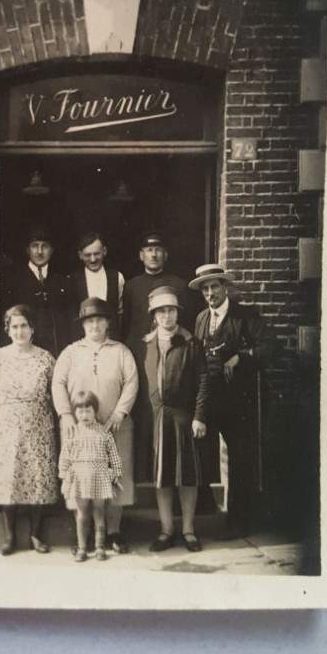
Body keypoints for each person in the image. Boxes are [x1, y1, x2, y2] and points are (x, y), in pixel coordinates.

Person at [190, 263, 279, 538]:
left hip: (239, 402)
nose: (210, 293)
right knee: (201, 452)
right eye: (205, 289)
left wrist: (243, 355)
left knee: (241, 459)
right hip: (209, 398)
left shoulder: (245, 315)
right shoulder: (201, 319)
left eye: (214, 286)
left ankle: (238, 522)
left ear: (224, 287)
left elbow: (270, 348)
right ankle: (203, 513)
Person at [52, 297, 139, 554]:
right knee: (80, 478)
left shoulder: (121, 351)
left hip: (115, 427)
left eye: (99, 319)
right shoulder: (70, 352)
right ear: (83, 324)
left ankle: (113, 532)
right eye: (89, 320)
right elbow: (58, 383)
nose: (94, 325)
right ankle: (83, 536)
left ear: (107, 323)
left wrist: (120, 412)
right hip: (78, 430)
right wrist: (66, 414)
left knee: (116, 477)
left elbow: (132, 382)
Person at [0, 303, 59, 555]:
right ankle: (10, 536)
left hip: (39, 426)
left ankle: (36, 535)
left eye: (23, 325)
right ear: (7, 330)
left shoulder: (45, 358)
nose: (19, 331)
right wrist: (7, 412)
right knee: (9, 476)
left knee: (37, 475)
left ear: (32, 328)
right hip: (7, 426)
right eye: (14, 326)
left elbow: (54, 392)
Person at [138, 286, 209, 552]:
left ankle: (188, 530)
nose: (166, 316)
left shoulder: (191, 342)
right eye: (160, 311)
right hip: (158, 417)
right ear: (154, 315)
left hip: (183, 416)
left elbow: (203, 381)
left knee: (187, 476)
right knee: (162, 476)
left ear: (177, 313)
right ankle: (166, 529)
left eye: (170, 310)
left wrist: (199, 416)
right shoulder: (145, 344)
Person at [121, 230, 193, 482]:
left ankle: (169, 475)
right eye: (149, 250)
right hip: (142, 359)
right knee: (143, 413)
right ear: (141, 255)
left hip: (172, 359)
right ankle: (143, 474)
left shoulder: (179, 285)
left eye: (159, 249)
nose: (154, 254)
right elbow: (127, 324)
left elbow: (186, 327)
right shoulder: (131, 286)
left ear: (166, 254)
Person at [58, 390, 123, 562]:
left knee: (98, 512)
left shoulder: (103, 432)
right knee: (82, 513)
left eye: (88, 410)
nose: (84, 415)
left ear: (95, 411)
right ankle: (82, 548)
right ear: (75, 412)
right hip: (80, 478)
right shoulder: (72, 433)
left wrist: (116, 472)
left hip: (99, 478)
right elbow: (65, 455)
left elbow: (113, 455)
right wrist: (64, 473)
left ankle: (100, 547)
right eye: (80, 411)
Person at [2, 226, 71, 357]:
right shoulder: (15, 281)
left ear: (51, 250)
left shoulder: (62, 281)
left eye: (44, 246)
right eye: (35, 246)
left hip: (56, 352)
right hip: (25, 352)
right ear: (28, 250)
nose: (39, 251)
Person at [68, 230, 125, 340]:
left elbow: (120, 313)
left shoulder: (116, 277)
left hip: (112, 341)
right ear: (80, 255)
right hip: (83, 343)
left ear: (104, 251)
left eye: (97, 254)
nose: (93, 259)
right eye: (87, 255)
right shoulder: (72, 281)